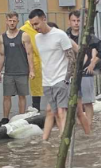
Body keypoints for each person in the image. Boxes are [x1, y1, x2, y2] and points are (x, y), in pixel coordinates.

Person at [30, 10, 91, 140]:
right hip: (47, 81)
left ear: (44, 19)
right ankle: (52, 142)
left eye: (37, 24)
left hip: (62, 79)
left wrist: (67, 80)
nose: (35, 27)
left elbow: (72, 58)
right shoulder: (37, 38)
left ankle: (67, 143)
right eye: (32, 25)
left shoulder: (60, 35)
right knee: (55, 112)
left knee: (67, 111)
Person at [0, 12, 35, 126]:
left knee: (22, 95)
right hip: (9, 72)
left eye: (14, 20)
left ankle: (21, 117)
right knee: (6, 96)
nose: (12, 23)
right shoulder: (2, 37)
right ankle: (5, 118)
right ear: (6, 21)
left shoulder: (24, 35)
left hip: (22, 71)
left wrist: (31, 70)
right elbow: (2, 55)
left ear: (17, 21)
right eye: (9, 20)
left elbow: (29, 53)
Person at [19, 12, 44, 112]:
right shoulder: (24, 30)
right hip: (34, 62)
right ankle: (36, 108)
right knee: (36, 88)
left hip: (44, 60)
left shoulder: (42, 27)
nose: (35, 26)